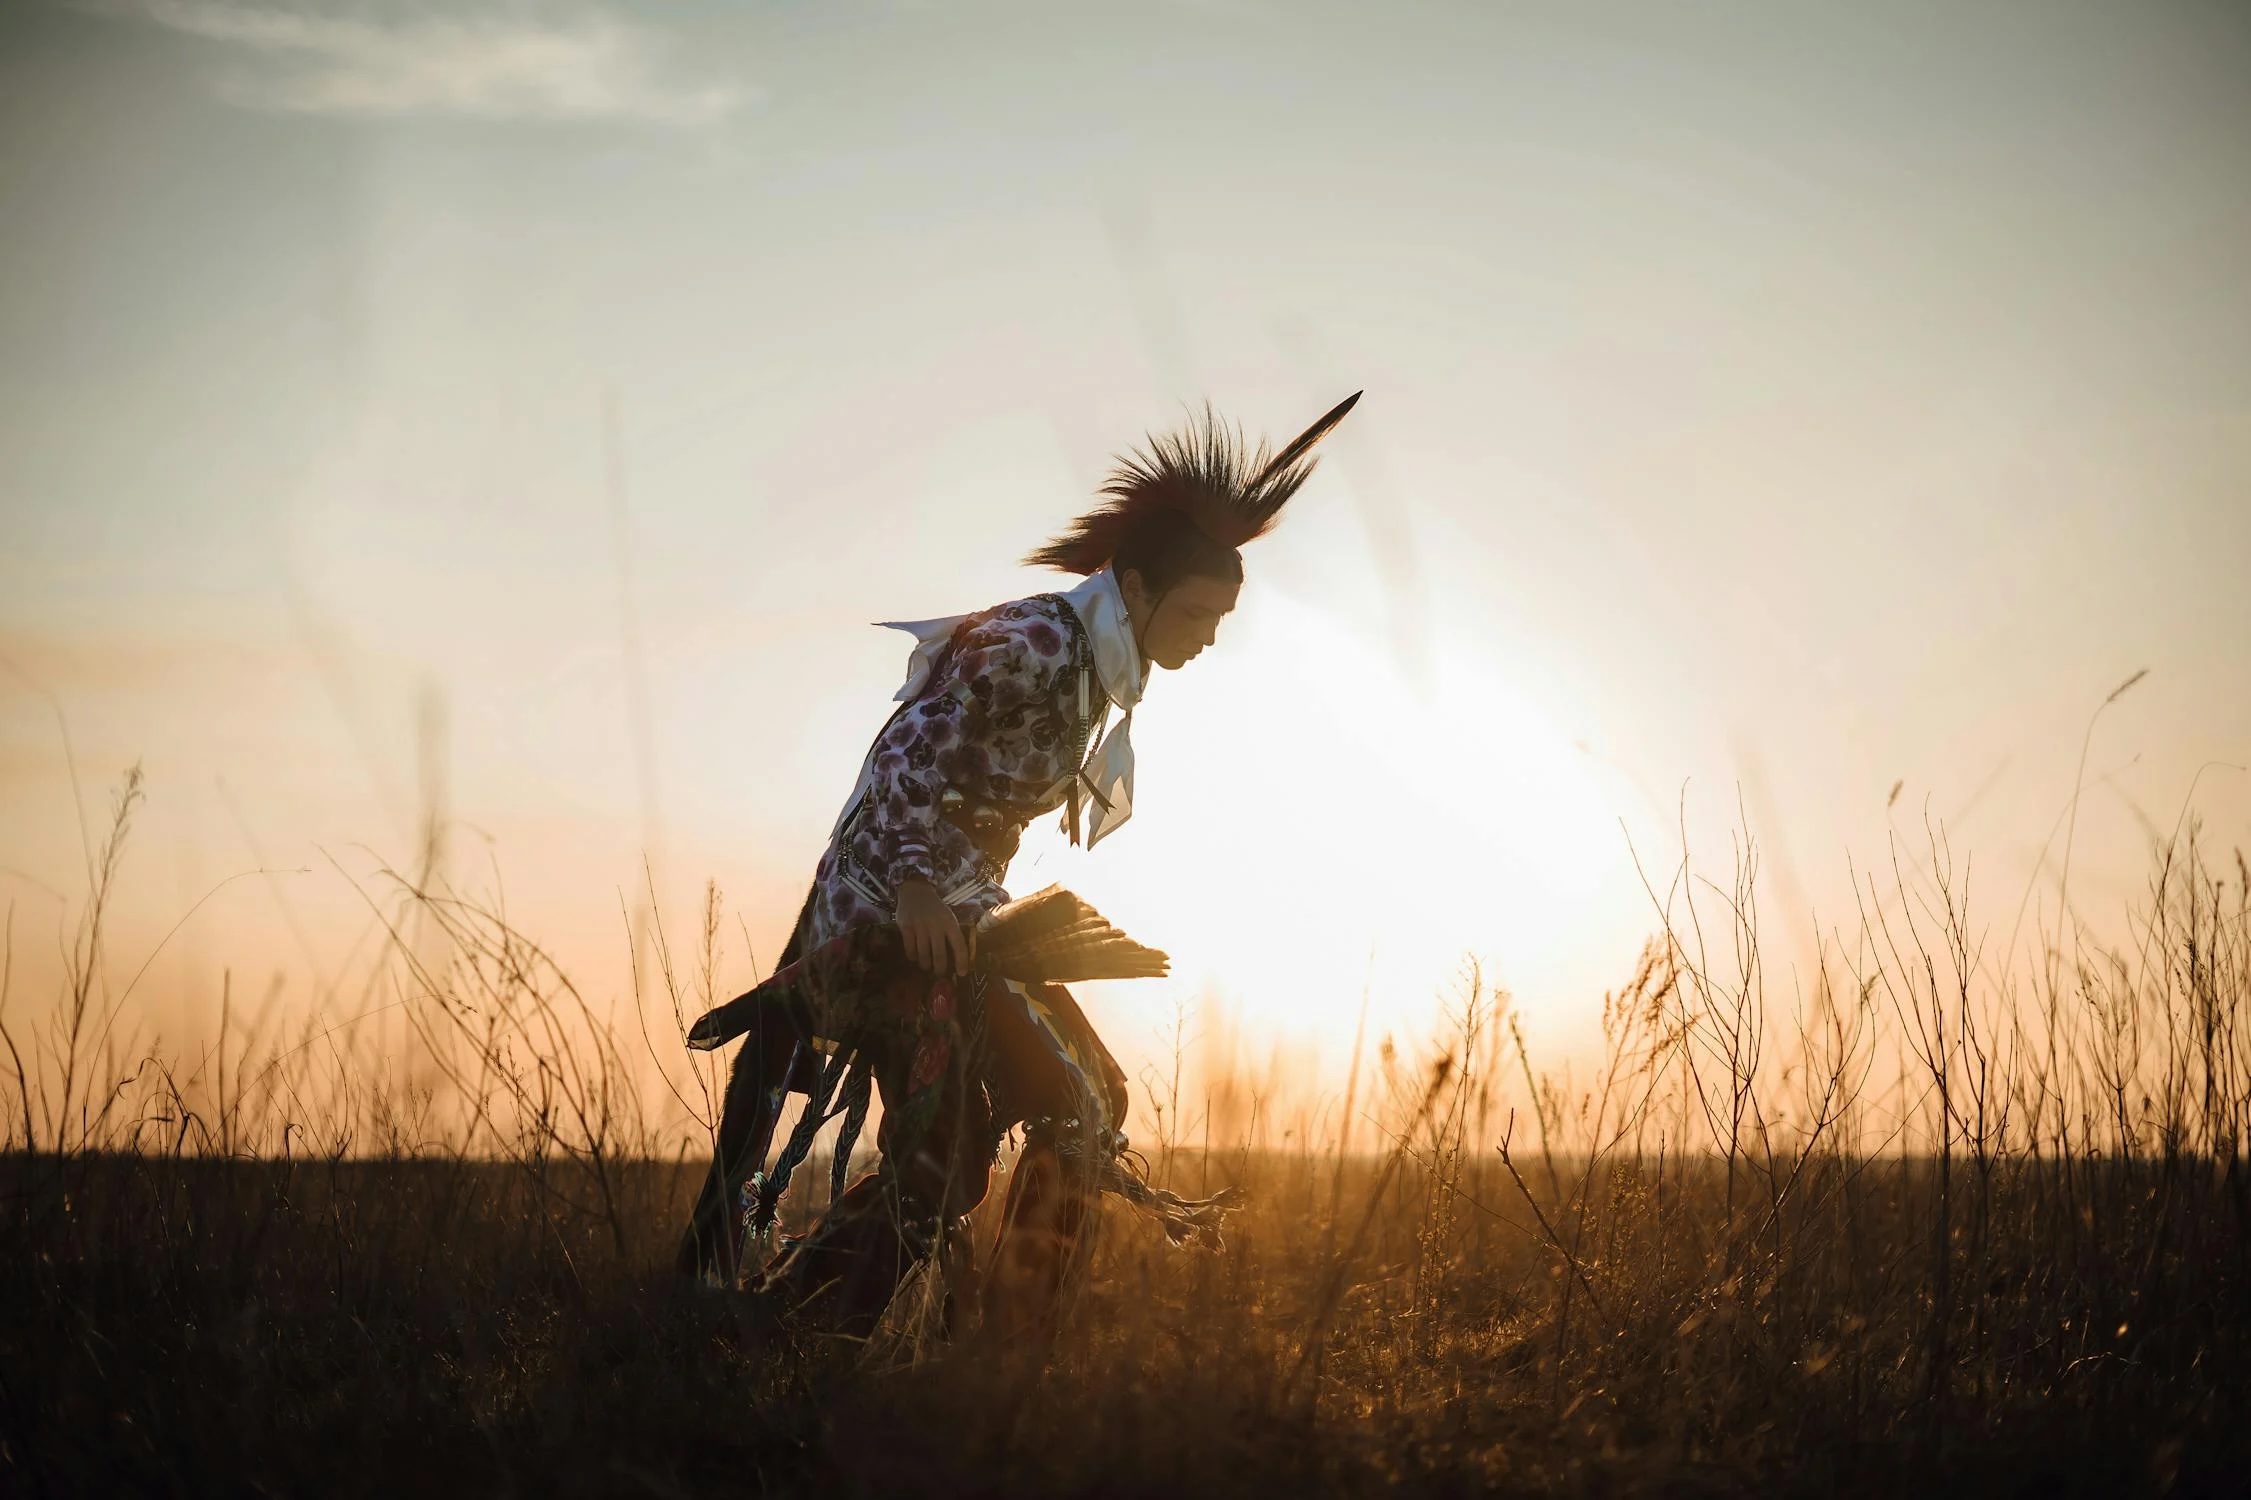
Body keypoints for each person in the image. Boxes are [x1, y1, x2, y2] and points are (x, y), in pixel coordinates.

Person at [675, 393, 1361, 1337]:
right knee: (984, 1136)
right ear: (1138, 587)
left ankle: (969, 1341)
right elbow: (904, 755)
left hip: (962, 919)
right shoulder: (1038, 640)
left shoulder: (1090, 664)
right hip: (893, 916)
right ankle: (810, 1331)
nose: (1208, 638)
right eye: (1200, 614)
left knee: (1080, 1100)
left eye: (1221, 620)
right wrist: (916, 885)